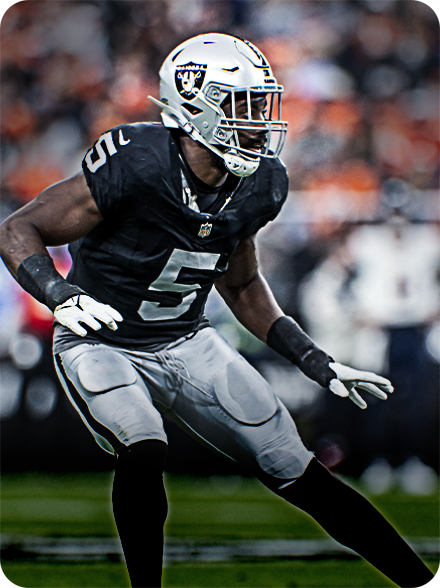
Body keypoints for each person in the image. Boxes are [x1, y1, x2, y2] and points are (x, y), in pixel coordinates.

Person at [0, 33, 438, 588]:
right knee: (144, 444)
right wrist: (60, 295)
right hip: (101, 339)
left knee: (295, 466)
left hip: (186, 339)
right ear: (192, 104)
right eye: (241, 105)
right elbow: (19, 228)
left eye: (260, 104)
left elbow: (243, 284)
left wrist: (315, 360)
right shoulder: (136, 161)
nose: (258, 121)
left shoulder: (261, 182)